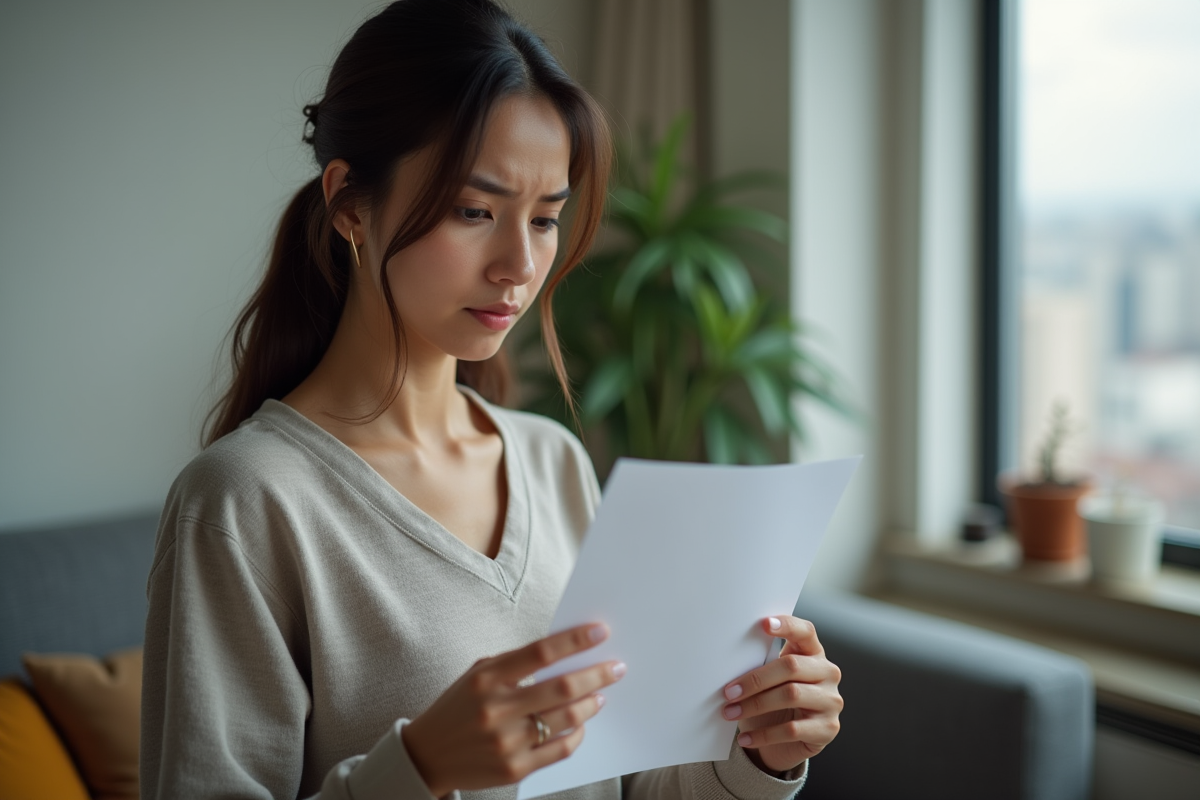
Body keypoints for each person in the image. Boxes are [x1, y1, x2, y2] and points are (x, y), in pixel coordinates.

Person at [139, 1, 844, 798]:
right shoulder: (244, 501)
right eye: (475, 211)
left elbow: (621, 785)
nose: (519, 264)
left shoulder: (552, 461)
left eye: (545, 219)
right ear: (350, 204)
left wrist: (760, 755)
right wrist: (422, 767)